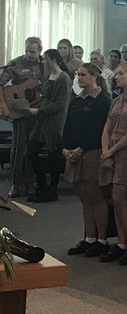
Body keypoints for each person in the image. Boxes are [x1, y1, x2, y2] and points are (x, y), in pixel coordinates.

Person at [62, 63, 113, 257]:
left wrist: (81, 149)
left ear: (94, 76)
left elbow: (99, 130)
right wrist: (65, 148)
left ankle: (101, 239)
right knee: (84, 197)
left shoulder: (103, 100)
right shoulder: (76, 100)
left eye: (83, 75)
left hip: (91, 151)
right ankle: (89, 237)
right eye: (78, 75)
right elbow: (67, 126)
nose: (79, 78)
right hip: (73, 153)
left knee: (96, 197)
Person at [99, 62, 127, 264]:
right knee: (114, 199)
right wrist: (105, 150)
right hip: (111, 151)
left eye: (121, 73)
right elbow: (107, 126)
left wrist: (113, 150)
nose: (116, 77)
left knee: (120, 196)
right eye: (115, 74)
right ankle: (122, 242)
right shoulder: (116, 100)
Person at [0, 36, 44, 197]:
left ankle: (30, 181)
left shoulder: (44, 65)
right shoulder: (15, 64)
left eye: (32, 51)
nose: (29, 54)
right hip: (18, 111)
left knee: (32, 146)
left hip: (36, 110)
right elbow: (1, 84)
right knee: (18, 147)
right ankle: (15, 182)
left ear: (40, 50)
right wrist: (3, 105)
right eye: (27, 51)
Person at [26, 48, 70, 202]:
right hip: (42, 120)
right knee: (31, 152)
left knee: (54, 157)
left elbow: (60, 104)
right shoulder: (48, 75)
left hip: (54, 122)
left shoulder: (63, 78)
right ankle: (42, 186)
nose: (43, 61)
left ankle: (51, 190)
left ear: (54, 60)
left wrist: (38, 110)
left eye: (46, 59)